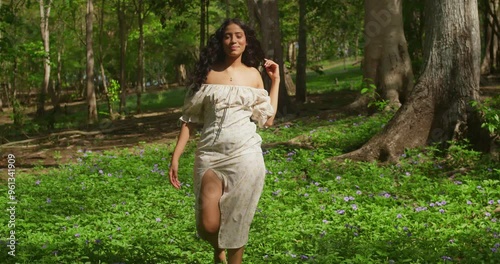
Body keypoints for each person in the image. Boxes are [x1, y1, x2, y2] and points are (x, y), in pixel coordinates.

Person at [168, 18, 279, 264]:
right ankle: (218, 250)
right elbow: (189, 120)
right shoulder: (207, 75)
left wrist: (276, 81)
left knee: (237, 219)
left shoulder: (253, 75)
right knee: (208, 225)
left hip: (246, 155)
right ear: (221, 41)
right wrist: (175, 157)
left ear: (246, 40)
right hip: (210, 155)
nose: (233, 40)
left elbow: (267, 119)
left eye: (239, 35)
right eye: (228, 36)